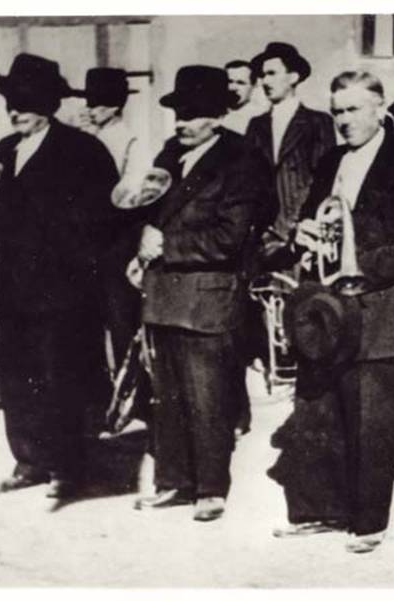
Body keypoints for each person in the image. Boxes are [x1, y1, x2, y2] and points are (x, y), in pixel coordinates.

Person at [269, 70, 394, 553]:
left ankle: (368, 523)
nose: (344, 120)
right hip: (327, 309)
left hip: (380, 307)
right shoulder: (330, 161)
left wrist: (359, 266)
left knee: (371, 420)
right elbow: (313, 217)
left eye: (354, 110)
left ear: (379, 109)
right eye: (337, 111)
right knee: (317, 409)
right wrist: (303, 234)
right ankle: (320, 510)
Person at [0, 53, 119, 498]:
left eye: (25, 103)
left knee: (61, 376)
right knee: (15, 375)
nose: (15, 111)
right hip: (12, 287)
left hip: (62, 292)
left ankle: (68, 467)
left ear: (49, 104)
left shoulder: (82, 150)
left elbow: (103, 218)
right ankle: (29, 461)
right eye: (11, 103)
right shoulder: (5, 150)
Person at [130, 65, 271, 522]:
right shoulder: (170, 154)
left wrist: (165, 246)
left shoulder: (242, 159)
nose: (182, 123)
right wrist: (142, 242)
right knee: (167, 396)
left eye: (193, 114)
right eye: (179, 114)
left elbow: (231, 238)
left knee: (208, 397)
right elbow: (148, 210)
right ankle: (174, 481)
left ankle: (211, 489)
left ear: (218, 115)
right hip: (164, 295)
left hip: (208, 298)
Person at [77, 67, 149, 377]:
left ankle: (129, 387)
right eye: (90, 102)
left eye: (99, 103)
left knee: (120, 317)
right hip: (88, 239)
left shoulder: (131, 141)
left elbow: (134, 193)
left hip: (117, 237)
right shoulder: (87, 137)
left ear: (116, 105)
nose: (92, 109)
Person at [247, 42, 335, 246]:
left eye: (272, 73)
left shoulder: (318, 122)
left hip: (301, 229)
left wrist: (298, 223)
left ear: (293, 77)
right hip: (263, 234)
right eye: (262, 75)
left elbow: (324, 179)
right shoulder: (256, 125)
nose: (265, 81)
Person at [221, 59, 261, 135]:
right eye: (229, 82)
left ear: (254, 85)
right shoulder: (213, 112)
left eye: (240, 83)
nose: (232, 88)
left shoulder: (259, 118)